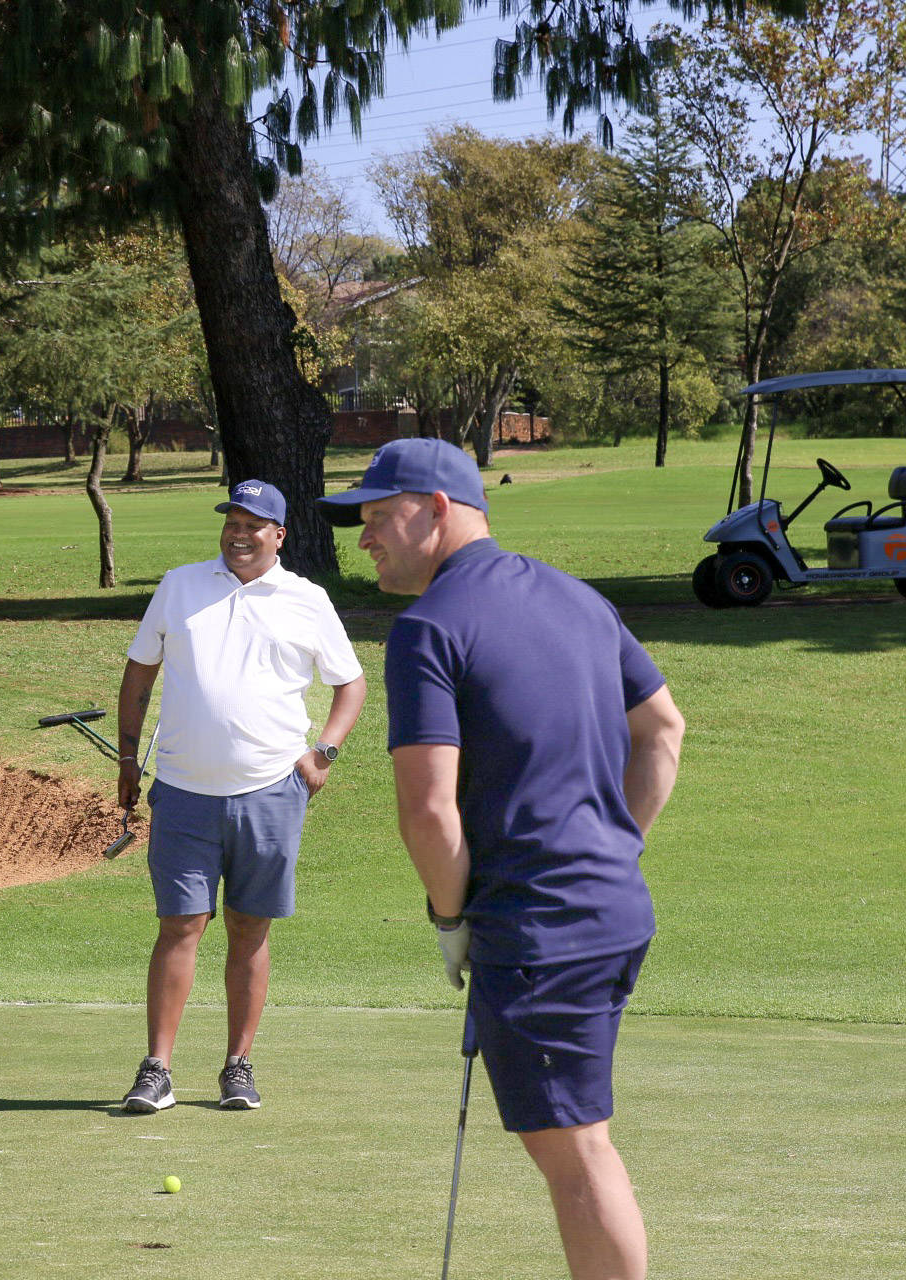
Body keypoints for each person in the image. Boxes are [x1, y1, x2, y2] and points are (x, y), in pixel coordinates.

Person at [319, 439, 685, 1280]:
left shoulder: (429, 629)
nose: (364, 538)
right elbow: (664, 730)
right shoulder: (579, 599)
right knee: (580, 1139)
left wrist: (450, 918)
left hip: (535, 931)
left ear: (437, 509)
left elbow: (429, 810)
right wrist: (615, 846)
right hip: (612, 911)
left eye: (379, 517)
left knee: (576, 1154)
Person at [115, 479, 368, 1113]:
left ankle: (238, 1065)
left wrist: (324, 752)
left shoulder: (306, 598)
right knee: (180, 925)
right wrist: (126, 756)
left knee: (249, 927)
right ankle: (157, 1069)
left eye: (253, 525)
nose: (239, 533)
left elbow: (351, 683)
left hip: (271, 789)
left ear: (278, 535)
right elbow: (140, 669)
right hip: (183, 789)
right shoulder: (180, 585)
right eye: (232, 521)